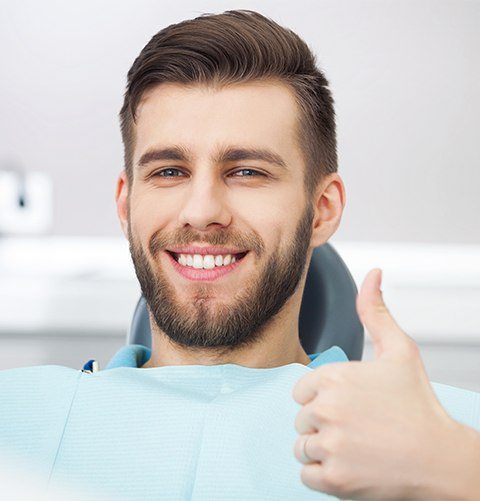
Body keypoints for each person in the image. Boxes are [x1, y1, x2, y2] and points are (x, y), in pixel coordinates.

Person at [1, 9, 479, 500]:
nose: (202, 211)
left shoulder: (450, 434)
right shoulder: (14, 416)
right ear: (126, 205)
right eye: (169, 171)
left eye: (247, 171)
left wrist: (457, 469)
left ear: (322, 210)